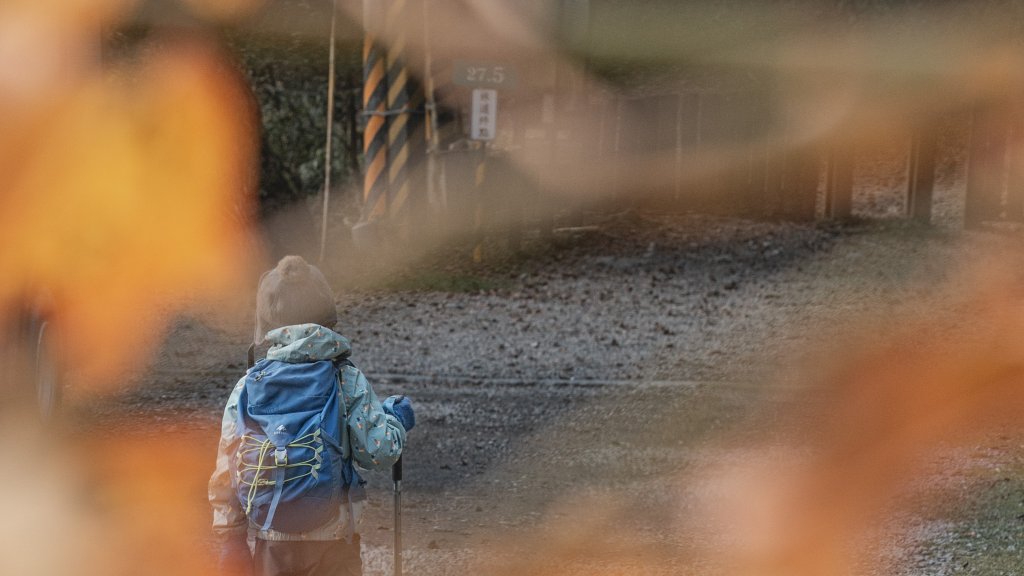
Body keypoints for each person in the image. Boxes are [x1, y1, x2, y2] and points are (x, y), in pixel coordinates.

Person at [209, 255, 415, 576]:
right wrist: (397, 421)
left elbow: (228, 468)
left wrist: (230, 539)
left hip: (271, 539)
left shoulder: (248, 386)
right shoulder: (345, 378)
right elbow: (379, 451)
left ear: (266, 323)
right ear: (327, 318)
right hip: (334, 540)